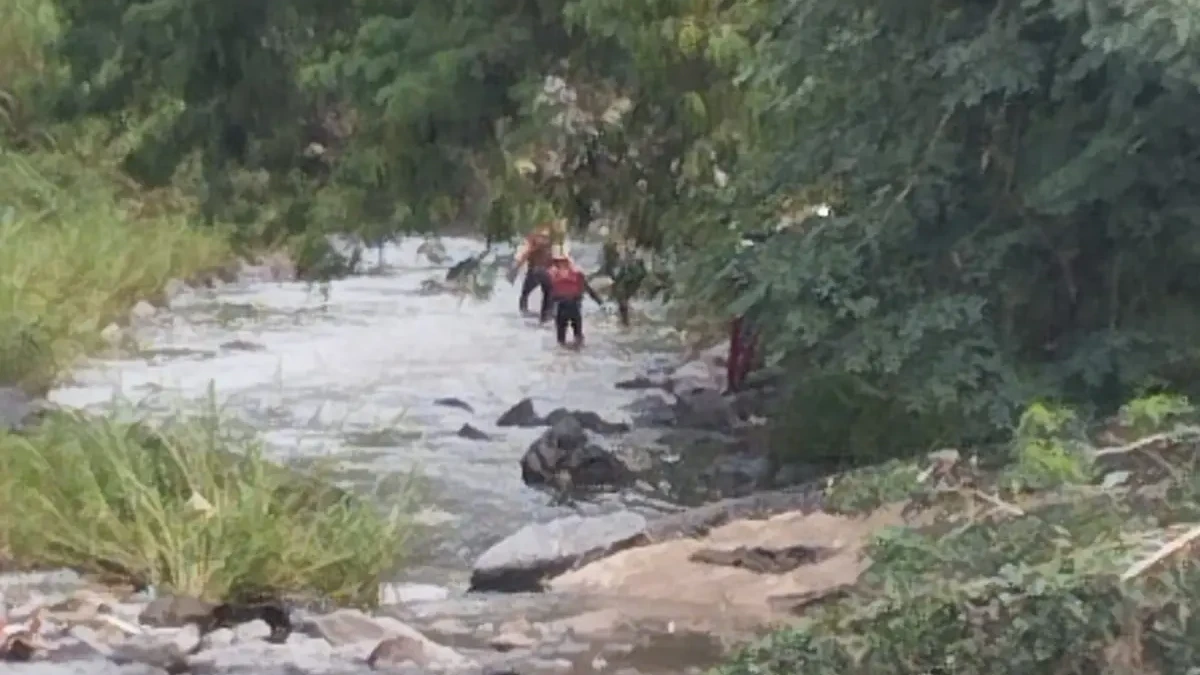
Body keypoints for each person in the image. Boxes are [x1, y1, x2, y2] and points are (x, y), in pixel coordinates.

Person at [546, 248, 604, 349]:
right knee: (572, 336)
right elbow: (588, 289)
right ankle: (574, 352)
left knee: (567, 338)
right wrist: (599, 301)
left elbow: (550, 294)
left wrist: (548, 310)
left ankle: (569, 352)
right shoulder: (573, 274)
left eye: (561, 262)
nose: (560, 264)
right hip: (568, 306)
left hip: (567, 306)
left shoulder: (557, 274)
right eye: (559, 262)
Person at [507, 222, 555, 320]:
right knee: (548, 292)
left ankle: (524, 312)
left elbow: (524, 254)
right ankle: (546, 315)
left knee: (525, 293)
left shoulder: (533, 242)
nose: (543, 239)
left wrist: (515, 268)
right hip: (546, 272)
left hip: (535, 271)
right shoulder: (551, 243)